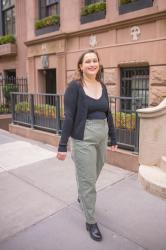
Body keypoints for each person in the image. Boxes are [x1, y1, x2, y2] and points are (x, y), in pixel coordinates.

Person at [57, 49, 117, 241]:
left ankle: (82, 193)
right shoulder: (75, 87)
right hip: (83, 138)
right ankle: (90, 221)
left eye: (94, 60)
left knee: (93, 173)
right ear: (81, 66)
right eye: (87, 61)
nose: (92, 64)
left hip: (102, 136)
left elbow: (108, 114)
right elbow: (69, 117)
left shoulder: (103, 86)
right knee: (88, 181)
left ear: (98, 63)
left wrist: (113, 138)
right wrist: (62, 145)